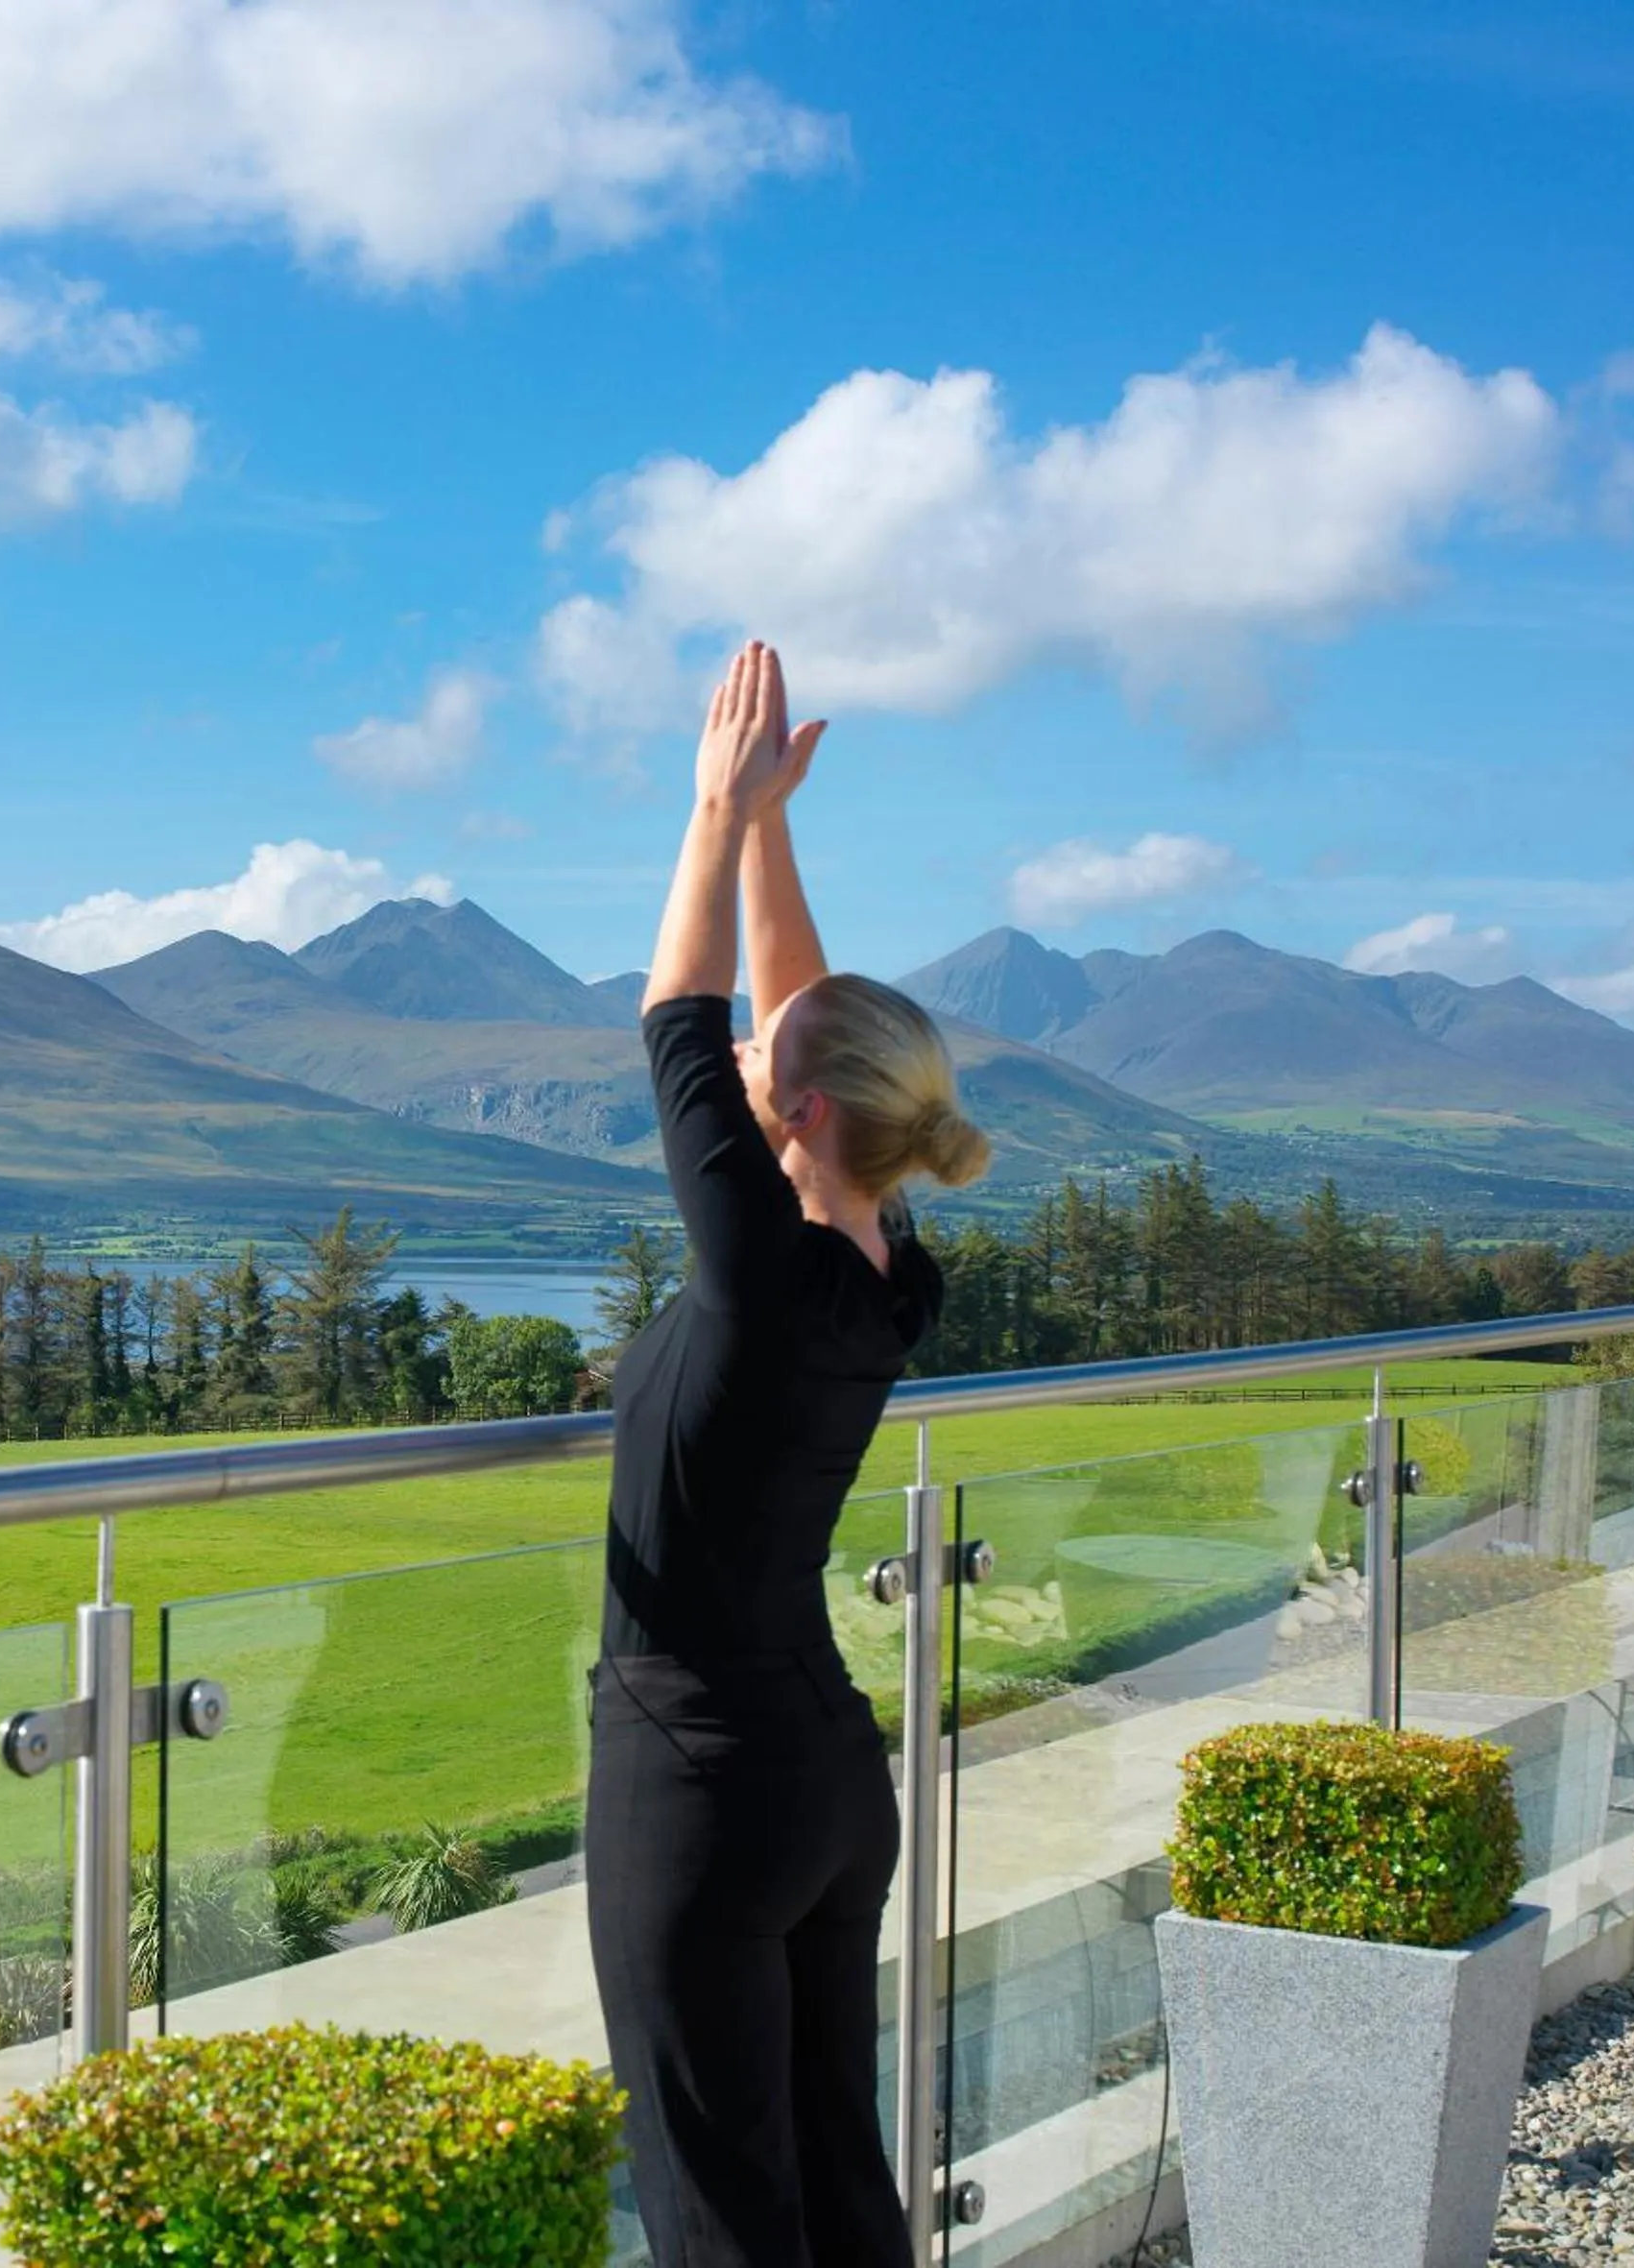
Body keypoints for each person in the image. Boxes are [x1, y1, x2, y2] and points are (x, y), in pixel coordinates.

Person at [588, 639, 992, 2268]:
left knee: (722, 2206)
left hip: (699, 1780)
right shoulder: (890, 1275)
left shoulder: (765, 1272)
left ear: (808, 1119)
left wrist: (708, 810)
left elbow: (682, 1018)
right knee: (833, 2163)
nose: (754, 1059)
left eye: (777, 1074)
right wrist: (769, 828)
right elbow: (797, 1026)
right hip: (824, 1776)